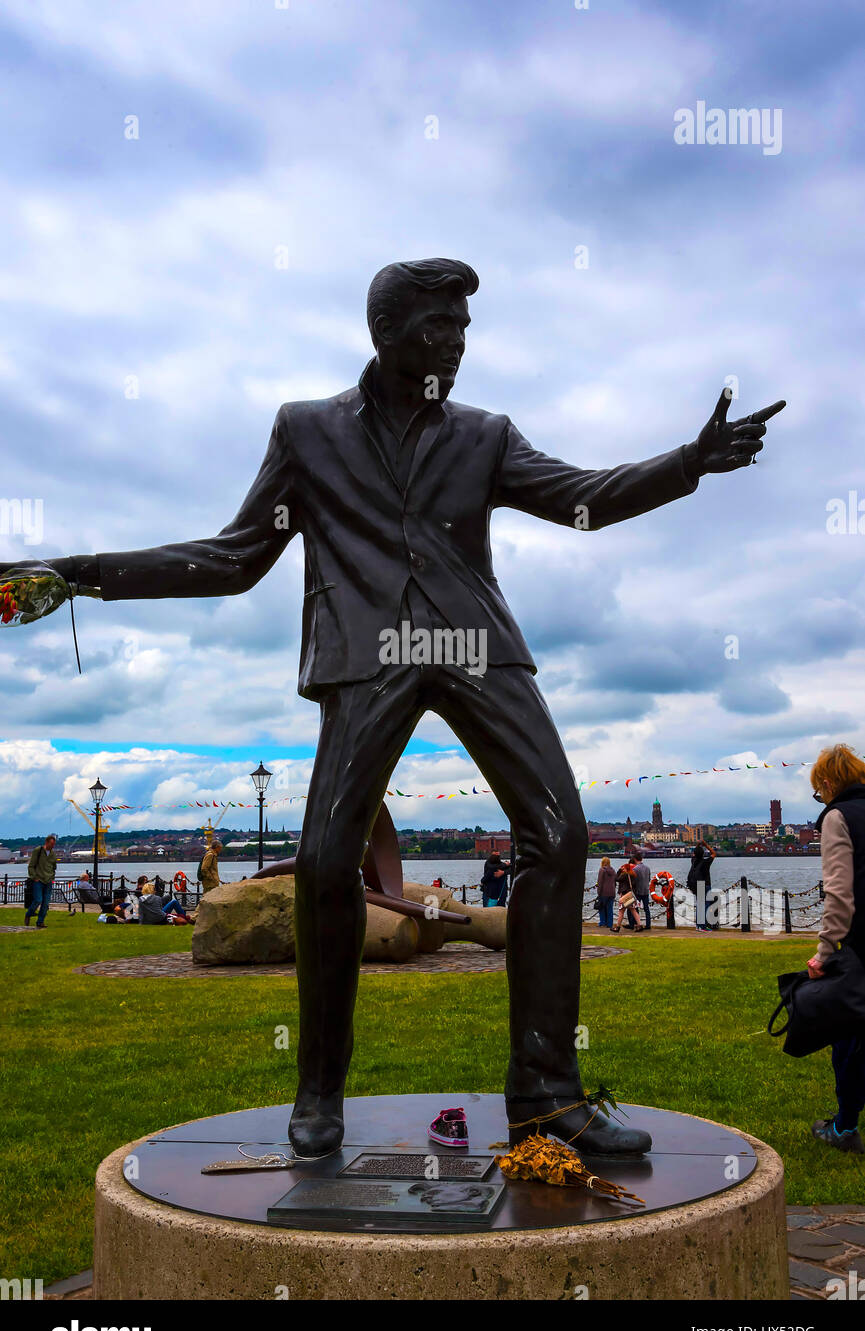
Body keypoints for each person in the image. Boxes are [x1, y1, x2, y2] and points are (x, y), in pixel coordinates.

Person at [18, 256, 784, 1159]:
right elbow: (233, 560)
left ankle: (547, 1094)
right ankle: (318, 1092)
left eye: (463, 331)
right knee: (322, 861)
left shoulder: (486, 434)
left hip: (474, 645)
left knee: (561, 835)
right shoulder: (306, 432)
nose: (454, 346)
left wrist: (687, 463)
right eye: (436, 329)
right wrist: (80, 575)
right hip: (366, 655)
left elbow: (581, 499)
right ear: (385, 335)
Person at [806, 744, 865, 1153]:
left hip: (861, 946)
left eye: (818, 792)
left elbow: (839, 894)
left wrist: (824, 951)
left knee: (849, 1039)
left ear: (827, 783)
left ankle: (844, 1129)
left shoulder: (838, 817)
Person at [24, 834, 58, 929]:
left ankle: (40, 921)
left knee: (46, 903)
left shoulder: (53, 854)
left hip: (48, 881)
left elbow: (54, 867)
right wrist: (34, 877)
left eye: (54, 844)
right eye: (51, 844)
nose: (52, 846)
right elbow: (31, 866)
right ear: (46, 842)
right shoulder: (38, 851)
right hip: (38, 880)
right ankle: (29, 914)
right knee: (38, 900)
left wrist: (52, 877)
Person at [687, 839, 716, 930]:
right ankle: (702, 926)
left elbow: (695, 853)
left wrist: (698, 845)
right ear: (703, 854)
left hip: (696, 885)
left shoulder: (693, 861)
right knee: (705, 905)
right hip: (705, 885)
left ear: (694, 854)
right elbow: (713, 853)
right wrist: (706, 845)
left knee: (699, 905)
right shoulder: (706, 862)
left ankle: (698, 925)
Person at [614, 859, 639, 932]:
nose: (623, 869)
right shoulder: (633, 874)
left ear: (626, 868)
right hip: (630, 894)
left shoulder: (625, 875)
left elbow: (616, 879)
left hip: (625, 895)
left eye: (624, 868)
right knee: (633, 910)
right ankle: (639, 925)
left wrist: (619, 871)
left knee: (621, 911)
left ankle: (617, 927)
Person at [631, 850, 653, 931]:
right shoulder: (647, 868)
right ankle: (648, 924)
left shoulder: (635, 869)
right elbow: (649, 879)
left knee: (636, 908)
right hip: (646, 890)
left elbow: (634, 881)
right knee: (646, 908)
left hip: (638, 891)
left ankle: (637, 923)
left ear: (635, 859)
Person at [595, 857, 616, 930]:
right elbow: (614, 882)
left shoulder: (602, 870)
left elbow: (600, 882)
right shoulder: (613, 870)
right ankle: (609, 924)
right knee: (610, 909)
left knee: (601, 908)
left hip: (604, 892)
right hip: (612, 892)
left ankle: (602, 922)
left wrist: (598, 892)